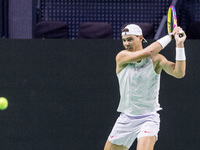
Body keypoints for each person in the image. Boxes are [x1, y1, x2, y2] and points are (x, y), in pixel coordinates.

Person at [104, 24, 186, 150]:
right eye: (124, 40)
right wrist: (171, 35)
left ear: (140, 38)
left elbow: (179, 73)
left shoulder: (157, 60)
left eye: (130, 39)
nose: (126, 44)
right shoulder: (122, 56)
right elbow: (149, 51)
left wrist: (179, 45)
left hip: (148, 119)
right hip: (126, 119)